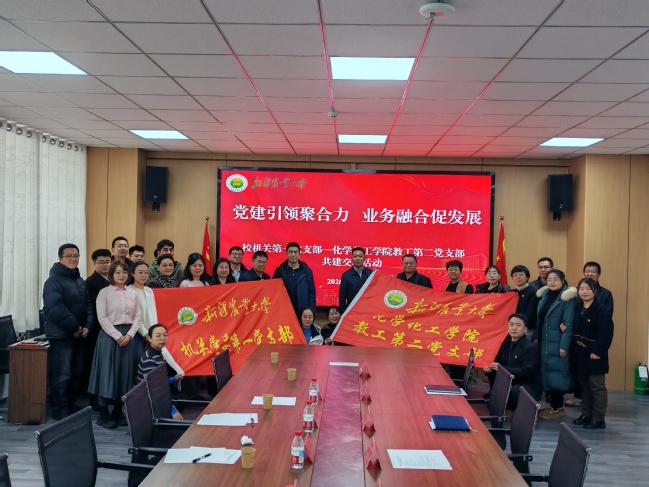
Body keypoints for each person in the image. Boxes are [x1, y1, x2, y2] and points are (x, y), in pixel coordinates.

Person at [42, 243, 93, 420]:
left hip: (79, 334)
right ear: (60, 258)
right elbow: (55, 308)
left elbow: (88, 305)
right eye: (69, 256)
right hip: (61, 335)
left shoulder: (79, 280)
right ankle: (60, 409)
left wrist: (87, 325)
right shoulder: (52, 281)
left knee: (76, 372)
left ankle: (71, 404)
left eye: (76, 256)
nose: (73, 259)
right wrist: (75, 327)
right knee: (62, 374)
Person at [88, 260, 141, 428]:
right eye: (118, 272)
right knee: (107, 374)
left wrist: (130, 335)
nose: (121, 275)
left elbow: (137, 317)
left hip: (128, 337)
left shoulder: (132, 293)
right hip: (109, 337)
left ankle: (118, 411)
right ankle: (103, 414)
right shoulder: (104, 293)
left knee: (124, 375)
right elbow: (102, 317)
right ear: (111, 274)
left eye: (124, 272)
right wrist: (117, 336)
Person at [571, 278, 614, 430]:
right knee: (584, 386)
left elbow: (606, 334)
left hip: (594, 353)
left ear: (594, 291)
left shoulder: (602, 310)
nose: (584, 292)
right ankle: (586, 414)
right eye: (581, 289)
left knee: (597, 387)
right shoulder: (578, 307)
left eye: (588, 289)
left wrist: (597, 351)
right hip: (580, 353)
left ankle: (598, 418)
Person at [535, 269, 577, 419]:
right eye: (549, 279)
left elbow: (569, 324)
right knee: (549, 373)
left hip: (558, 343)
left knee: (558, 374)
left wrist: (564, 345)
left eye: (555, 279)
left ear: (563, 280)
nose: (552, 282)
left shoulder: (567, 298)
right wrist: (536, 337)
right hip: (545, 342)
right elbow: (540, 319)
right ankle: (553, 406)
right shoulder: (546, 295)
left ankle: (558, 408)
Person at [483, 314, 541, 409]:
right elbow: (497, 365)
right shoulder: (504, 344)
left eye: (518, 325)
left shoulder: (530, 348)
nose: (514, 328)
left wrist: (502, 369)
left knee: (516, 390)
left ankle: (520, 410)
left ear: (525, 329)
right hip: (509, 381)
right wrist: (489, 370)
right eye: (511, 324)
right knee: (491, 402)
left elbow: (526, 371)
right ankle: (508, 407)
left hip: (527, 384)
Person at [136, 324, 185, 420]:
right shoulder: (149, 359)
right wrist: (172, 409)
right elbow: (154, 389)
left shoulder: (158, 353)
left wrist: (174, 379)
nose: (162, 338)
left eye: (165, 335)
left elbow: (159, 382)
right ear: (149, 338)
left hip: (158, 395)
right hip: (149, 401)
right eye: (158, 336)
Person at [83, 248, 112, 407]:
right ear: (94, 263)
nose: (105, 265)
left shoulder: (113, 279)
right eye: (101, 262)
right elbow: (93, 308)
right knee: (93, 364)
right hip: (96, 328)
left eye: (107, 261)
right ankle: (93, 399)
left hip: (110, 327)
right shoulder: (91, 282)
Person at [272, 242, 316, 319]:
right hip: (284, 310)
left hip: (302, 311)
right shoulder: (280, 271)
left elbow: (311, 293)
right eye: (290, 252)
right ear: (286, 254)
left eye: (295, 252)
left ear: (299, 254)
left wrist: (311, 312)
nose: (293, 255)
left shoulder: (307, 271)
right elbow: (273, 291)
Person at [339, 247, 372, 314]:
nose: (357, 258)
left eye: (360, 256)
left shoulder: (371, 273)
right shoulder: (346, 275)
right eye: (355, 256)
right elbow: (342, 297)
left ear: (364, 258)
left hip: (369, 311)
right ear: (351, 259)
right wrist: (344, 313)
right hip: (352, 312)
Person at [510, 265, 538, 335]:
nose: (518, 277)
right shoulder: (511, 293)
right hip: (512, 329)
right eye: (515, 275)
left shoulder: (533, 292)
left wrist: (520, 325)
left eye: (521, 275)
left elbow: (531, 313)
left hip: (527, 330)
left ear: (527, 277)